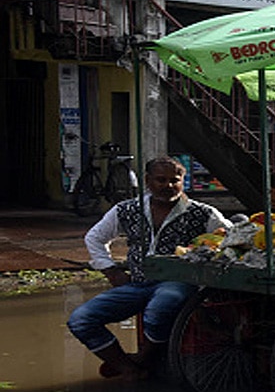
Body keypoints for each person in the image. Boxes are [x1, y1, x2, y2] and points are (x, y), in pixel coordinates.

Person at [67, 156, 230, 380]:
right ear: (148, 181)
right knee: (80, 319)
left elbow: (231, 239)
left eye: (175, 180)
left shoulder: (203, 213)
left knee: (162, 305)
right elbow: (95, 237)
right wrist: (111, 271)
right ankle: (128, 368)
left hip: (177, 283)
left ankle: (142, 358)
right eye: (160, 180)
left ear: (183, 181)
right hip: (137, 283)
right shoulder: (127, 209)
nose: (168, 186)